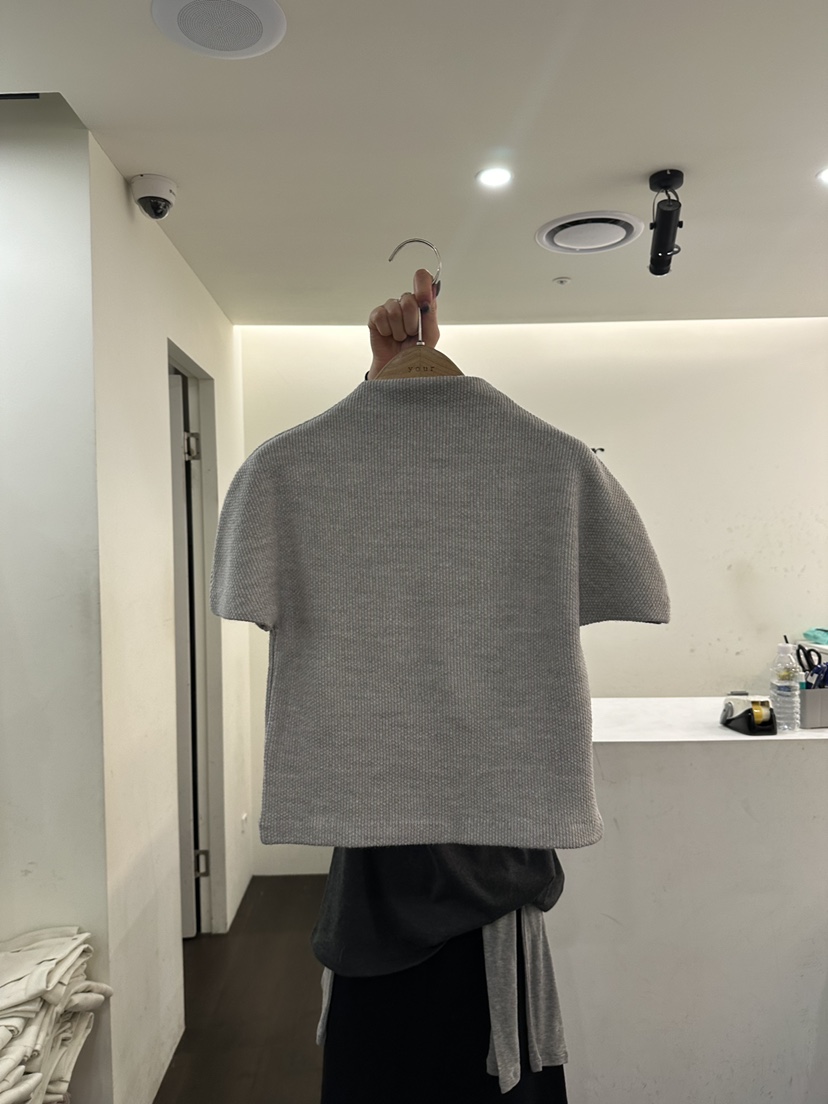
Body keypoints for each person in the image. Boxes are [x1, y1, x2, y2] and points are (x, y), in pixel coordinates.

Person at [312, 270, 570, 1103]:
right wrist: (387, 383)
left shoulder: (545, 471)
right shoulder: (322, 485)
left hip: (482, 876)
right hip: (393, 871)